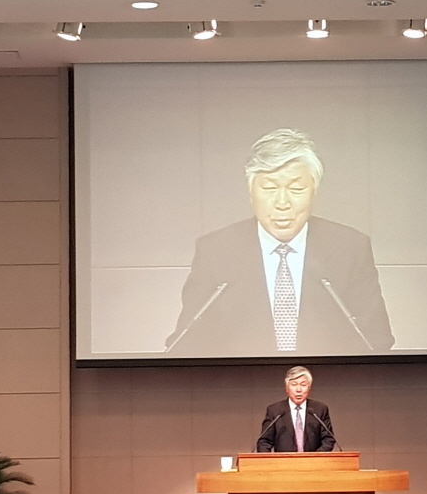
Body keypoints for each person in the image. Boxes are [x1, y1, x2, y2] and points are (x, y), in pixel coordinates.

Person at [165, 128, 394, 356]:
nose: (282, 203)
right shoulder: (216, 251)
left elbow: (376, 340)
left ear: (314, 190)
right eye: (269, 188)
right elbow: (187, 342)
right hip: (245, 378)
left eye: (296, 189)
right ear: (251, 191)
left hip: (327, 377)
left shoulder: (350, 249)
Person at [256, 366, 335, 453]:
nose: (298, 390)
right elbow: (264, 442)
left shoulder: (319, 409)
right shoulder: (275, 410)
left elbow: (328, 439)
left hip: (314, 461)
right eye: (294, 384)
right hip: (283, 461)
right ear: (287, 388)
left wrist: (314, 458)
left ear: (309, 388)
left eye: (303, 385)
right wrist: (268, 460)